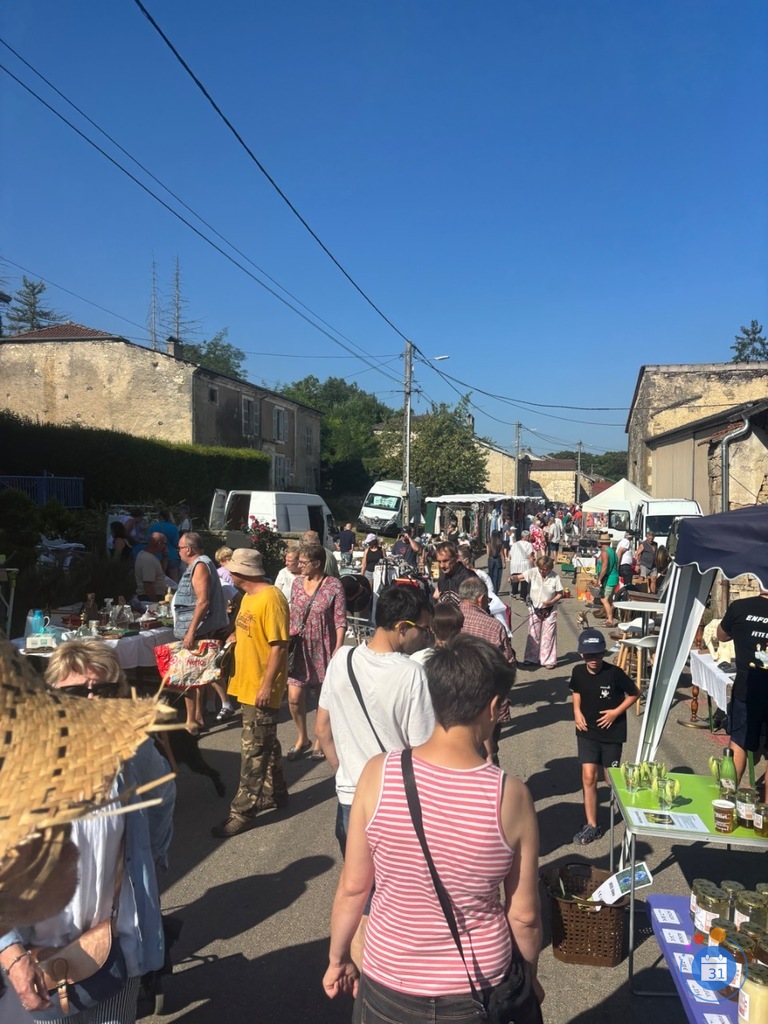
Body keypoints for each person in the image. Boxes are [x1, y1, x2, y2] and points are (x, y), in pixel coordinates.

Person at [322, 636, 543, 1021]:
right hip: (478, 988)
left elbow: (354, 887)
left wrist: (337, 957)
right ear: (493, 708)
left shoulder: (379, 772)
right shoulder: (511, 796)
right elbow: (523, 915)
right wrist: (530, 977)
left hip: (390, 980)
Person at [0, 640, 175, 1024]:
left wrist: (147, 862)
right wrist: (10, 953)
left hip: (116, 944)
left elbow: (163, 795)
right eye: (77, 692)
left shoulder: (133, 752)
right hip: (33, 955)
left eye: (105, 691)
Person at [315, 584, 435, 858]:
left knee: (357, 886)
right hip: (394, 803)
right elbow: (424, 751)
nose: (426, 636)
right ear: (403, 627)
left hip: (349, 798)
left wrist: (346, 771)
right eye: (424, 629)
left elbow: (322, 730)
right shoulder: (412, 674)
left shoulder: (341, 659)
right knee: (392, 890)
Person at [211, 549, 291, 838]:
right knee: (264, 739)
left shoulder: (271, 599)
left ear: (242, 572)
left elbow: (279, 646)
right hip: (246, 683)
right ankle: (276, 792)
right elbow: (249, 631)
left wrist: (268, 685)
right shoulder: (247, 597)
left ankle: (242, 812)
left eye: (231, 569)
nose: (227, 573)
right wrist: (233, 637)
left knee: (253, 751)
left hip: (260, 685)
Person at [569, 629, 639, 845]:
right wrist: (576, 712)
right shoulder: (578, 672)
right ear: (582, 655)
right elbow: (576, 691)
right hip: (587, 731)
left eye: (598, 655)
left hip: (612, 732)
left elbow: (635, 693)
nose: (594, 660)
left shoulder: (615, 673)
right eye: (589, 656)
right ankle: (592, 825)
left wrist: (616, 712)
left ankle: (630, 810)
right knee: (588, 775)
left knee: (611, 778)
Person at [287, 542, 347, 760]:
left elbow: (340, 619)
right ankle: (302, 737)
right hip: (299, 648)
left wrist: (338, 648)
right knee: (294, 697)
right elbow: (292, 613)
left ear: (317, 563)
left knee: (322, 698)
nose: (299, 565)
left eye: (303, 562)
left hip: (323, 647)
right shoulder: (295, 584)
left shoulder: (333, 586)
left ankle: (321, 738)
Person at [173, 532, 230, 733]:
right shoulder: (200, 565)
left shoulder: (199, 566)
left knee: (189, 677)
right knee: (197, 676)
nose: (178, 551)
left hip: (197, 631)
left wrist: (190, 632)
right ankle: (196, 719)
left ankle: (192, 723)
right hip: (199, 629)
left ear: (189, 549)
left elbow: (203, 601)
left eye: (180, 548)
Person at [716, 585, 768, 784]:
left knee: (738, 743)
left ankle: (727, 799)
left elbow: (722, 635)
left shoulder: (740, 607)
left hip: (747, 686)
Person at [511, 556, 564, 669]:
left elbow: (560, 593)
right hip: (534, 608)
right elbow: (520, 577)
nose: (542, 571)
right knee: (533, 634)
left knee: (548, 636)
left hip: (550, 609)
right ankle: (530, 658)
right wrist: (512, 578)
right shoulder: (533, 572)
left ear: (550, 568)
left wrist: (551, 602)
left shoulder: (555, 577)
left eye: (545, 569)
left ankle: (548, 660)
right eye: (540, 568)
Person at [147, 511, 181, 583]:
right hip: (172, 556)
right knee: (174, 579)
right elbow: (176, 543)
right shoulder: (173, 527)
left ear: (160, 517)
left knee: (159, 579)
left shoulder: (153, 526)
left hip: (157, 556)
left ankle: (162, 593)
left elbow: (148, 541)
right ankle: (175, 593)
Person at [134, 532, 168, 600]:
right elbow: (148, 585)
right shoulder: (149, 560)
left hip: (150, 596)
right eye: (164, 544)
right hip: (150, 597)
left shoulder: (143, 554)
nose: (165, 546)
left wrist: (165, 557)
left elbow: (161, 570)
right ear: (159, 544)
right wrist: (154, 602)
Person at [596, 533, 619, 627]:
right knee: (609, 599)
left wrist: (600, 579)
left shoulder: (605, 553)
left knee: (604, 599)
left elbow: (605, 567)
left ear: (601, 543)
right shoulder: (613, 552)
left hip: (609, 578)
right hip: (614, 577)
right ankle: (608, 618)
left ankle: (610, 619)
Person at [508, 531, 535, 601]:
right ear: (526, 537)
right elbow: (530, 557)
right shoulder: (528, 545)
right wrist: (533, 567)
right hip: (524, 564)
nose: (529, 538)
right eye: (529, 536)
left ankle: (514, 592)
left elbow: (510, 556)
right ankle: (523, 595)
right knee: (524, 579)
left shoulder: (515, 544)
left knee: (515, 577)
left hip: (514, 563)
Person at [486, 530, 505, 595]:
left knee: (491, 575)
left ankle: (491, 589)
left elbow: (488, 553)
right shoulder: (500, 543)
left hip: (491, 559)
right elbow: (502, 553)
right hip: (498, 559)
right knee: (498, 575)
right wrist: (504, 562)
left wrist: (488, 560)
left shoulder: (489, 543)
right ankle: (496, 590)